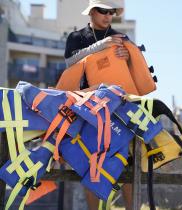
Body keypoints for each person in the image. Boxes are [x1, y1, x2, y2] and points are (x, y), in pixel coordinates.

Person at [63, 0, 132, 209]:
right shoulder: (76, 37)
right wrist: (102, 46)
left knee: (126, 163)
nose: (108, 15)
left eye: (112, 12)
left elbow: (133, 74)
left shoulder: (121, 38)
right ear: (92, 11)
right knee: (90, 161)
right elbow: (70, 64)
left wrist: (128, 57)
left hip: (117, 108)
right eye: (103, 10)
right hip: (85, 107)